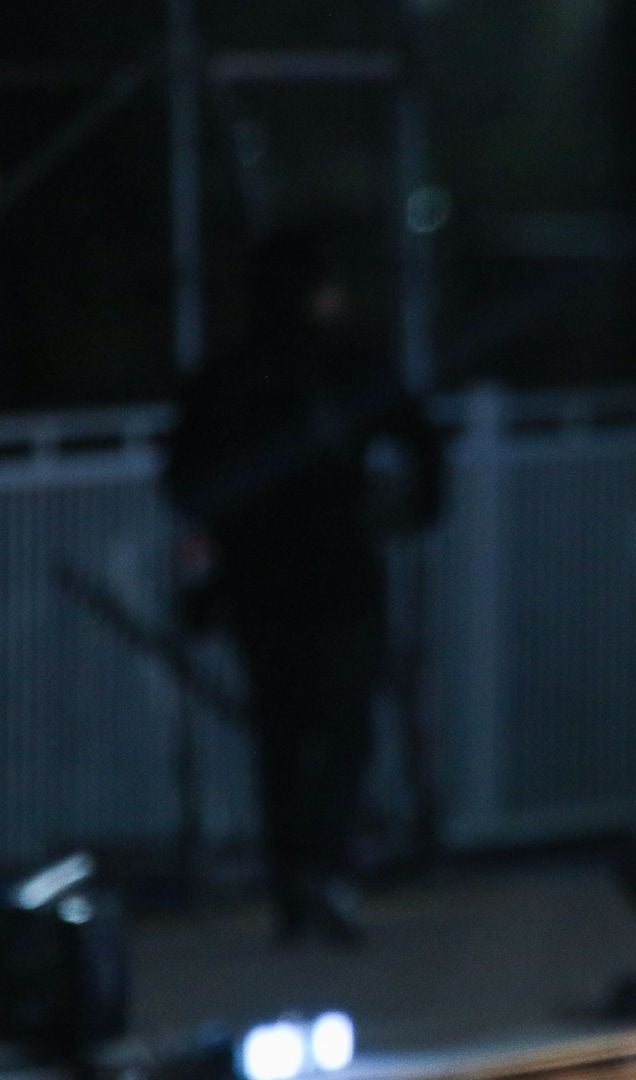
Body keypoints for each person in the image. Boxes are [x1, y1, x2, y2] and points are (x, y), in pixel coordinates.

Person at [165, 226, 444, 947]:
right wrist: (408, 506)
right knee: (342, 729)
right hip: (337, 574)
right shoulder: (341, 366)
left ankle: (301, 875)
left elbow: (184, 482)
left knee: (284, 737)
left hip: (261, 582)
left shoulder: (227, 375)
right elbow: (421, 441)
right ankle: (314, 869)